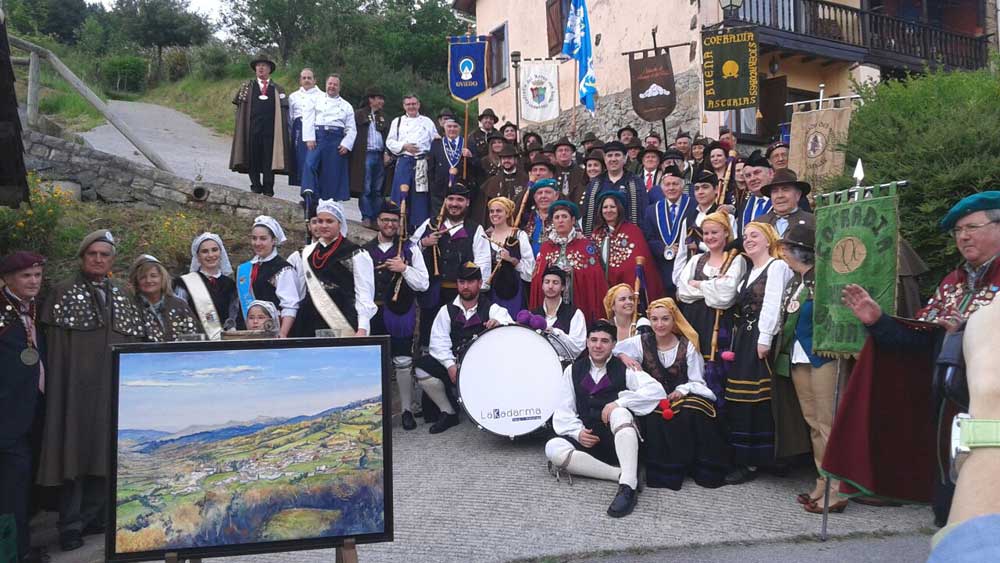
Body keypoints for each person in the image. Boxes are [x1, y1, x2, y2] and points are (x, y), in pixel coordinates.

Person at [828, 192, 1000, 525]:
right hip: (948, 417)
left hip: (991, 417)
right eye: (958, 231)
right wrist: (879, 322)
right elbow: (920, 343)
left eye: (972, 227)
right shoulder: (953, 283)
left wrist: (969, 332)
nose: (963, 237)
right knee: (948, 509)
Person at [38, 230, 148, 552]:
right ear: (83, 257)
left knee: (106, 452)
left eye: (104, 255)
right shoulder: (63, 293)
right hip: (74, 393)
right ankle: (70, 525)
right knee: (72, 455)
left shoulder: (122, 295)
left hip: (111, 391)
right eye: (92, 254)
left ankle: (95, 517)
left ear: (112, 260)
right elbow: (54, 350)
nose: (98, 259)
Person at [545, 320, 665, 518]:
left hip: (617, 438)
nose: (598, 345)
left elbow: (656, 391)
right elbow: (564, 409)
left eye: (604, 341)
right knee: (553, 448)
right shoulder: (573, 370)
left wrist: (619, 402)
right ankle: (623, 475)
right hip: (589, 438)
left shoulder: (625, 368)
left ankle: (628, 488)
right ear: (587, 342)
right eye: (593, 340)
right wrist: (577, 432)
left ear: (614, 344)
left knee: (620, 413)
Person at [614, 298, 730, 489]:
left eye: (665, 319)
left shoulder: (687, 345)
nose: (659, 324)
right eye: (654, 319)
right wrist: (623, 355)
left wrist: (682, 390)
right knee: (653, 414)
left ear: (674, 320)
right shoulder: (641, 341)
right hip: (654, 396)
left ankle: (699, 467)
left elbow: (697, 381)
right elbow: (614, 349)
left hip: (682, 395)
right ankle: (665, 472)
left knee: (694, 409)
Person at [724, 222, 804, 485]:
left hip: (761, 337)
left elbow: (774, 303)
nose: (748, 240)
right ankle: (747, 457)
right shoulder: (750, 271)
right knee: (743, 397)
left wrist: (765, 338)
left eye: (754, 235)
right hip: (745, 338)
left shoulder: (777, 266)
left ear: (769, 240)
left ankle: (765, 458)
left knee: (759, 397)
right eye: (745, 236)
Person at [774, 222, 846, 513]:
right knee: (813, 422)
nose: (783, 253)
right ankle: (822, 480)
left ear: (800, 252)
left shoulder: (825, 280)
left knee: (828, 423)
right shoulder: (796, 281)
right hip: (799, 355)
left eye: (786, 249)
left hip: (823, 355)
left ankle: (838, 488)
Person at [415, 262, 513, 433]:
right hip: (455, 365)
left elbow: (510, 326)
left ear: (480, 283)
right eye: (461, 282)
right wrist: (450, 365)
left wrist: (499, 324)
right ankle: (449, 412)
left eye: (470, 282)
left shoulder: (492, 308)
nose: (465, 286)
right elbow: (438, 343)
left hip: (484, 369)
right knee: (422, 367)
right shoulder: (446, 310)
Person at [363, 201, 430, 431]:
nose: (390, 224)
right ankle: (377, 412)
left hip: (401, 311)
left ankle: (406, 411)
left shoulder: (410, 249)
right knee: (376, 362)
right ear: (378, 222)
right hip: (374, 312)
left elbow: (423, 283)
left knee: (403, 362)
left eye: (394, 220)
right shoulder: (365, 250)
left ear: (400, 223)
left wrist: (404, 269)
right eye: (385, 220)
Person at [0, 251, 47, 563]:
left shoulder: (32, 308)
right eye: (25, 276)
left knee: (23, 484)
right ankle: (13, 553)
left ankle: (21, 547)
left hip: (32, 410)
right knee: (11, 488)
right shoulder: (3, 313)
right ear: (7, 279)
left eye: (37, 275)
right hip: (7, 415)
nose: (33, 281)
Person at [675, 210, 746, 408]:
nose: (709, 237)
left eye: (714, 232)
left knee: (719, 371)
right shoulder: (696, 260)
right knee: (693, 367)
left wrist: (699, 284)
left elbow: (726, 295)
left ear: (726, 233)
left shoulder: (736, 260)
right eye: (706, 233)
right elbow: (683, 291)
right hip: (694, 323)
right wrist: (713, 287)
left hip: (721, 325)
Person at [411, 182, 491, 345]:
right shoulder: (430, 224)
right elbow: (410, 250)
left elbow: (483, 262)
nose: (454, 204)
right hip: (432, 292)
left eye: (460, 200)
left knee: (457, 334)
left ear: (467, 203)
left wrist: (477, 293)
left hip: (461, 294)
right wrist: (423, 243)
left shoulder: (475, 229)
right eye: (451, 199)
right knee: (429, 330)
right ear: (445, 201)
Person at [292, 200, 376, 337]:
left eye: (329, 221)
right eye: (320, 221)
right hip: (309, 320)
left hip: (342, 319)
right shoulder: (308, 252)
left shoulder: (355, 253)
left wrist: (363, 328)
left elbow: (364, 293)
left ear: (340, 223)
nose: (324, 225)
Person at [530, 201, 608, 324]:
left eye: (564, 217)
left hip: (578, 302)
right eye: (556, 217)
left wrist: (571, 274)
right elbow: (537, 278)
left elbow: (594, 278)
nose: (560, 220)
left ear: (573, 220)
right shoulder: (546, 247)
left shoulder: (585, 245)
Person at [229, 54, 291, 197]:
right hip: (252, 130)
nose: (260, 68)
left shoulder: (278, 89)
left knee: (269, 160)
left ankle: (268, 189)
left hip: (271, 132)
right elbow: (239, 109)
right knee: (252, 159)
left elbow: (284, 113)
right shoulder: (246, 87)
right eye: (258, 66)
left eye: (264, 65)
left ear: (269, 69)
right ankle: (255, 186)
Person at [590, 191, 665, 300]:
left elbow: (638, 264)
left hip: (627, 290)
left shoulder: (632, 231)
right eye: (605, 207)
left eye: (612, 207)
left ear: (619, 209)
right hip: (603, 289)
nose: (608, 210)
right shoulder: (596, 233)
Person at [236, 216, 299, 337]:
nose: (257, 243)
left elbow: (290, 305)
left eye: (263, 238)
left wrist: (282, 334)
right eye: (254, 238)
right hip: (249, 333)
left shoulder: (283, 269)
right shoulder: (245, 269)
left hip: (273, 333)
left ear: (273, 240)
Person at [301, 74, 357, 207]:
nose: (332, 86)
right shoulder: (315, 99)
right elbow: (308, 118)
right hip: (318, 137)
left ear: (339, 87)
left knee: (331, 172)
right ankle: (309, 195)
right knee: (310, 164)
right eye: (330, 84)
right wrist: (309, 137)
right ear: (326, 85)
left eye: (335, 84)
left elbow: (351, 128)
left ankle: (327, 204)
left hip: (336, 139)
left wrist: (346, 144)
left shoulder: (346, 106)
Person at [387, 94, 441, 229]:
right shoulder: (397, 121)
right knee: (401, 194)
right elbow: (390, 141)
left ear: (418, 105)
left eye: (413, 104)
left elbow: (435, 140)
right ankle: (398, 227)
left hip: (422, 163)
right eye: (408, 104)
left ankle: (418, 228)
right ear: (404, 106)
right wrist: (404, 146)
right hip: (404, 162)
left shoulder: (427, 122)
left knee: (420, 196)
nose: (411, 106)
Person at [173, 233, 239, 340]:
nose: (210, 255)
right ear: (198, 256)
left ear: (221, 252)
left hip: (224, 341)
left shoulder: (230, 284)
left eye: (214, 250)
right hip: (195, 341)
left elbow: (234, 315)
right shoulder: (185, 283)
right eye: (205, 251)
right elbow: (178, 314)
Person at [642, 165, 691, 297]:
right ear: (662, 188)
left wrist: (684, 246)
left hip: (687, 266)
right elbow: (648, 239)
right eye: (667, 184)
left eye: (675, 184)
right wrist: (664, 248)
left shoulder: (693, 205)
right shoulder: (652, 210)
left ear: (682, 186)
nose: (671, 188)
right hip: (662, 268)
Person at [580, 141, 648, 235]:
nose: (613, 159)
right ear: (604, 159)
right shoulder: (594, 184)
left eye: (617, 155)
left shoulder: (636, 182)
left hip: (629, 236)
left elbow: (643, 214)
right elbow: (587, 216)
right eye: (609, 155)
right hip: (600, 236)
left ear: (625, 158)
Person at [674, 171, 737, 271]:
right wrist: (678, 277)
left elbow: (731, 249)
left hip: (718, 271)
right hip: (691, 274)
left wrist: (699, 245)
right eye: (696, 188)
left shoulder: (726, 217)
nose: (700, 192)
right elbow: (682, 253)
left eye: (705, 187)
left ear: (716, 189)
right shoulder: (688, 219)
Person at [129, 255, 198, 342]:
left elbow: (194, 337)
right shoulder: (130, 307)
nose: (148, 280)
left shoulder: (179, 305)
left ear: (162, 278)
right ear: (136, 281)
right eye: (143, 277)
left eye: (153, 276)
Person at [485, 196, 535, 317]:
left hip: (514, 289)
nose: (494, 214)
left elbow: (530, 268)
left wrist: (512, 260)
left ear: (507, 214)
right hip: (491, 290)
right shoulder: (486, 236)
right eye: (492, 211)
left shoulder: (519, 235)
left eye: (499, 211)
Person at [349, 86, 390, 229]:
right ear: (371, 99)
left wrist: (387, 152)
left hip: (380, 154)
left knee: (378, 189)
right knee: (365, 187)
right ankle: (366, 216)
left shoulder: (383, 117)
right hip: (365, 154)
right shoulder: (359, 114)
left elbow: (388, 137)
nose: (381, 102)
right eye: (379, 98)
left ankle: (376, 218)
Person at [428, 116, 478, 224]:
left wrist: (470, 157)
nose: (452, 129)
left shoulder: (468, 143)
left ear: (460, 128)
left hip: (462, 189)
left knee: (460, 220)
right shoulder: (436, 144)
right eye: (449, 126)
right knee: (439, 221)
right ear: (444, 127)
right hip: (440, 190)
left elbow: (477, 167)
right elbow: (431, 168)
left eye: (455, 126)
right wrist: (433, 186)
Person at [532, 266, 587, 363]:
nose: (550, 286)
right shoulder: (533, 314)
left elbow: (577, 348)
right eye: (547, 282)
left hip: (564, 368)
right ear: (542, 286)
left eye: (555, 282)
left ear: (563, 287)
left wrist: (555, 333)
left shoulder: (575, 314)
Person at [287, 68, 324, 188]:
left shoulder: (322, 96)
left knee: (313, 160)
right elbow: (290, 117)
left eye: (309, 78)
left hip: (315, 129)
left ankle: (313, 188)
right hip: (298, 129)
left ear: (315, 80)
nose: (306, 80)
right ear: (300, 80)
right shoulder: (293, 96)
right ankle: (304, 189)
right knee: (300, 160)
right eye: (304, 78)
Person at [476, 143, 527, 225]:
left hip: (521, 223)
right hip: (497, 224)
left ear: (515, 160)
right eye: (504, 158)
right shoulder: (492, 182)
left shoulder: (526, 179)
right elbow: (484, 210)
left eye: (509, 158)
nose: (506, 161)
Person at [757, 169, 814, 236]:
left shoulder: (812, 222)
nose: (780, 195)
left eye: (785, 190)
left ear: (798, 195)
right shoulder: (759, 224)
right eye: (775, 191)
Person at [738, 150, 774, 236]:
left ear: (771, 173)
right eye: (748, 176)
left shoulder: (783, 201)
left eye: (757, 173)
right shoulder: (744, 205)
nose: (753, 178)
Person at [522, 178, 559, 255]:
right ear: (534, 197)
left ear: (556, 196)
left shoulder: (564, 217)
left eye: (548, 192)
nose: (543, 196)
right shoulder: (527, 218)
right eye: (539, 193)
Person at [553, 136, 588, 205]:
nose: (563, 153)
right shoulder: (551, 171)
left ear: (572, 153)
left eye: (567, 150)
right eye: (560, 150)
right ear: (555, 154)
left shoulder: (581, 172)